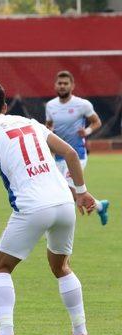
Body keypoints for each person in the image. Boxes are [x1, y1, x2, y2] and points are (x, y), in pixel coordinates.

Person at [0, 81, 96, 335]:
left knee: (1, 268)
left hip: (33, 206)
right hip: (64, 203)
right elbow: (69, 152)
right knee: (61, 267)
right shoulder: (29, 121)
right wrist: (81, 192)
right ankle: (80, 334)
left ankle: (5, 334)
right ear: (5, 106)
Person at [45, 70, 109, 225]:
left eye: (65, 83)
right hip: (59, 156)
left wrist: (86, 131)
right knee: (69, 191)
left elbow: (97, 122)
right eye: (60, 83)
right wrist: (49, 132)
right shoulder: (50, 105)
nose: (62, 86)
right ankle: (100, 206)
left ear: (72, 86)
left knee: (67, 188)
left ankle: (56, 224)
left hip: (77, 154)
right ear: (55, 85)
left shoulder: (82, 104)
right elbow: (48, 126)